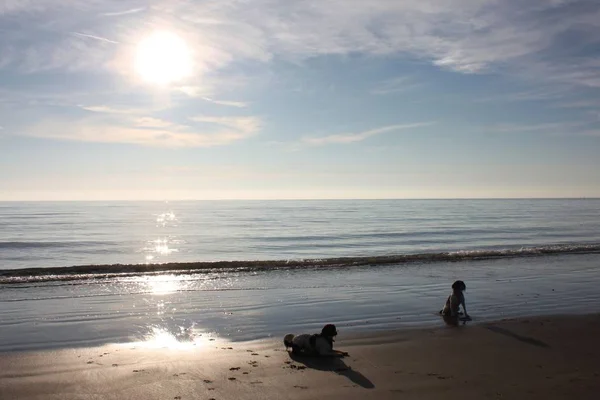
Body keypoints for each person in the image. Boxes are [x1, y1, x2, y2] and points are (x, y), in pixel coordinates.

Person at [283, 324, 348, 357]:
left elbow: (329, 350)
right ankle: (290, 344)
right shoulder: (323, 342)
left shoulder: (326, 341)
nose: (333, 336)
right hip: (300, 340)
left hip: (303, 338)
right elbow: (323, 353)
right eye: (332, 334)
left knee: (306, 351)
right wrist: (336, 355)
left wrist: (341, 352)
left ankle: (292, 344)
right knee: (298, 353)